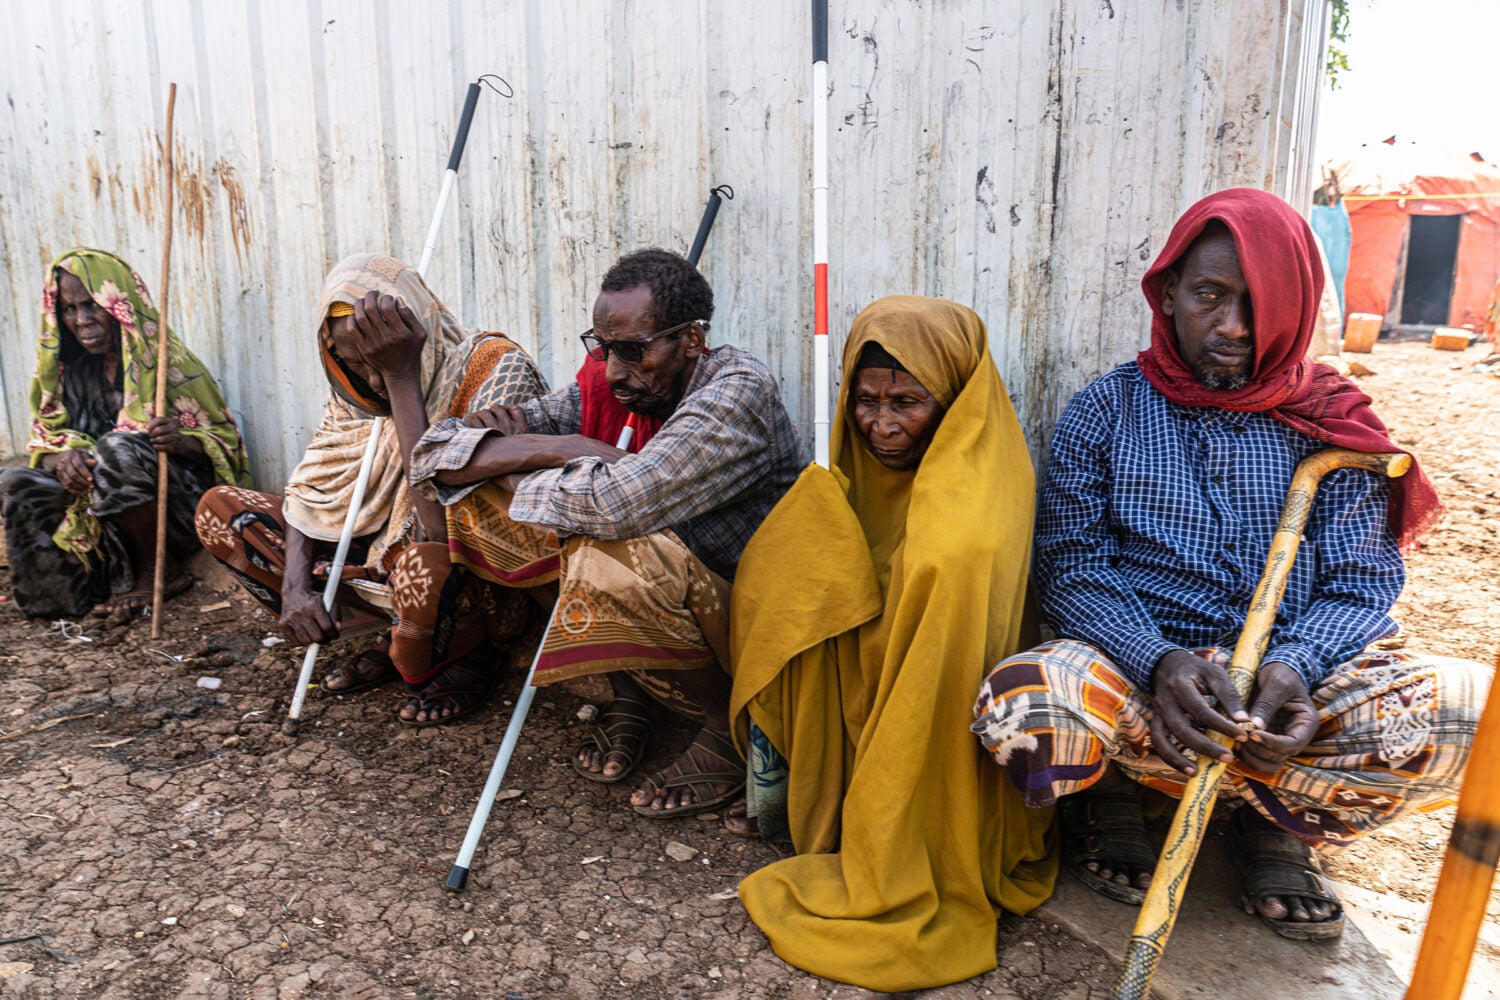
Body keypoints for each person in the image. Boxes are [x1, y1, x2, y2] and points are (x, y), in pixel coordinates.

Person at [971, 188, 1491, 942]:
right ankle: (1112, 794)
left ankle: (1278, 825)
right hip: (1146, 677)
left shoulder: (1336, 426)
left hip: (1297, 689)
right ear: (1170, 292)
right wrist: (1160, 661)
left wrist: (1298, 666)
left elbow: (1363, 583)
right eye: (1211, 296)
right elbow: (1072, 565)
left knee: (1478, 721)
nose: (1235, 327)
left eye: (1261, 301)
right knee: (1022, 704)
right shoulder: (1106, 411)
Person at [724, 297, 1056, 992]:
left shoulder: (976, 504)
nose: (881, 424)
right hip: (862, 683)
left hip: (933, 725)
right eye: (865, 400)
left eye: (907, 401)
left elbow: (932, 670)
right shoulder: (854, 469)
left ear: (956, 397)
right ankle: (807, 794)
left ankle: (896, 842)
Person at [408, 247, 803, 818]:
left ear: (691, 339)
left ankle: (725, 729)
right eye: (602, 348)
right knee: (477, 504)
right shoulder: (611, 387)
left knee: (608, 549)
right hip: (670, 593)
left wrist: (505, 459)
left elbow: (616, 505)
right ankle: (630, 690)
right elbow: (432, 455)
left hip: (739, 617)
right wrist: (559, 446)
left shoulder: (735, 394)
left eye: (633, 351)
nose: (613, 369)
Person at [196, 253, 547, 725]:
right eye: (357, 362)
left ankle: (469, 652)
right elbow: (313, 491)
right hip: (373, 571)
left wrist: (403, 379)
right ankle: (397, 635)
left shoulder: (494, 370)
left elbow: (439, 529)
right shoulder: (353, 393)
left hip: (473, 582)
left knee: (425, 566)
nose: (373, 380)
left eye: (383, 360)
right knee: (222, 512)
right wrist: (296, 587)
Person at [1, 248, 248, 617]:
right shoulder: (75, 372)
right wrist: (61, 458)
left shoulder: (169, 365)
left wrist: (182, 442)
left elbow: (225, 447)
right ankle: (62, 596)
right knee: (15, 480)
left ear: (120, 307)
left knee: (116, 447)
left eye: (91, 305)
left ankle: (158, 571)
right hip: (101, 511)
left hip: (176, 512)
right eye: (69, 309)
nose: (82, 320)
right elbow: (48, 438)